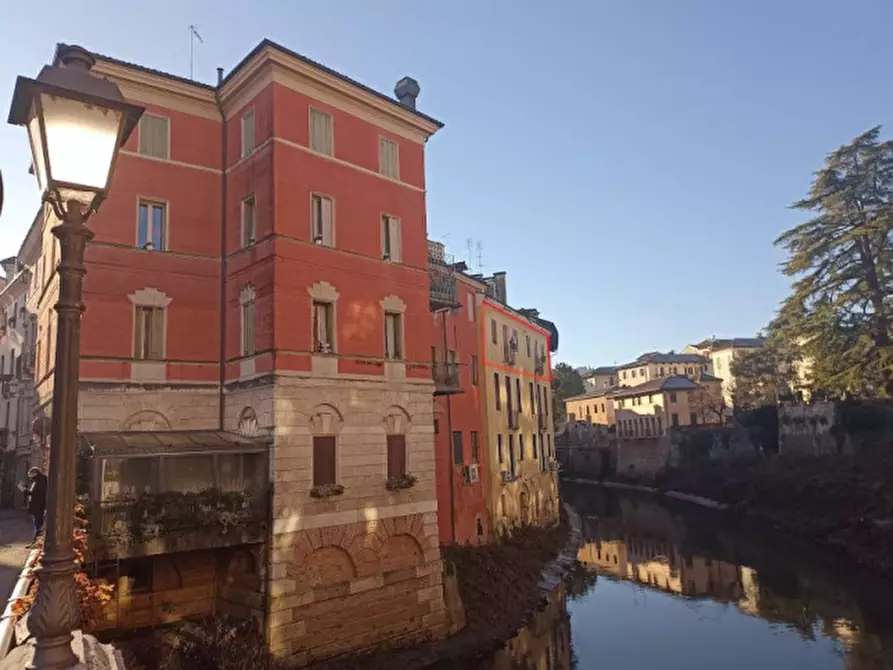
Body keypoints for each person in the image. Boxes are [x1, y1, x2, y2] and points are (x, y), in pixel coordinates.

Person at [24, 466, 47, 547]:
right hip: (37, 506)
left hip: (39, 507)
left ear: (35, 473)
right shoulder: (37, 481)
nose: (30, 477)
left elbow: (39, 494)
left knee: (38, 525)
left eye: (31, 474)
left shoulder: (40, 481)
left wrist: (27, 491)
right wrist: (26, 491)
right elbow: (34, 493)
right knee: (37, 525)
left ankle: (36, 543)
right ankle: (35, 542)